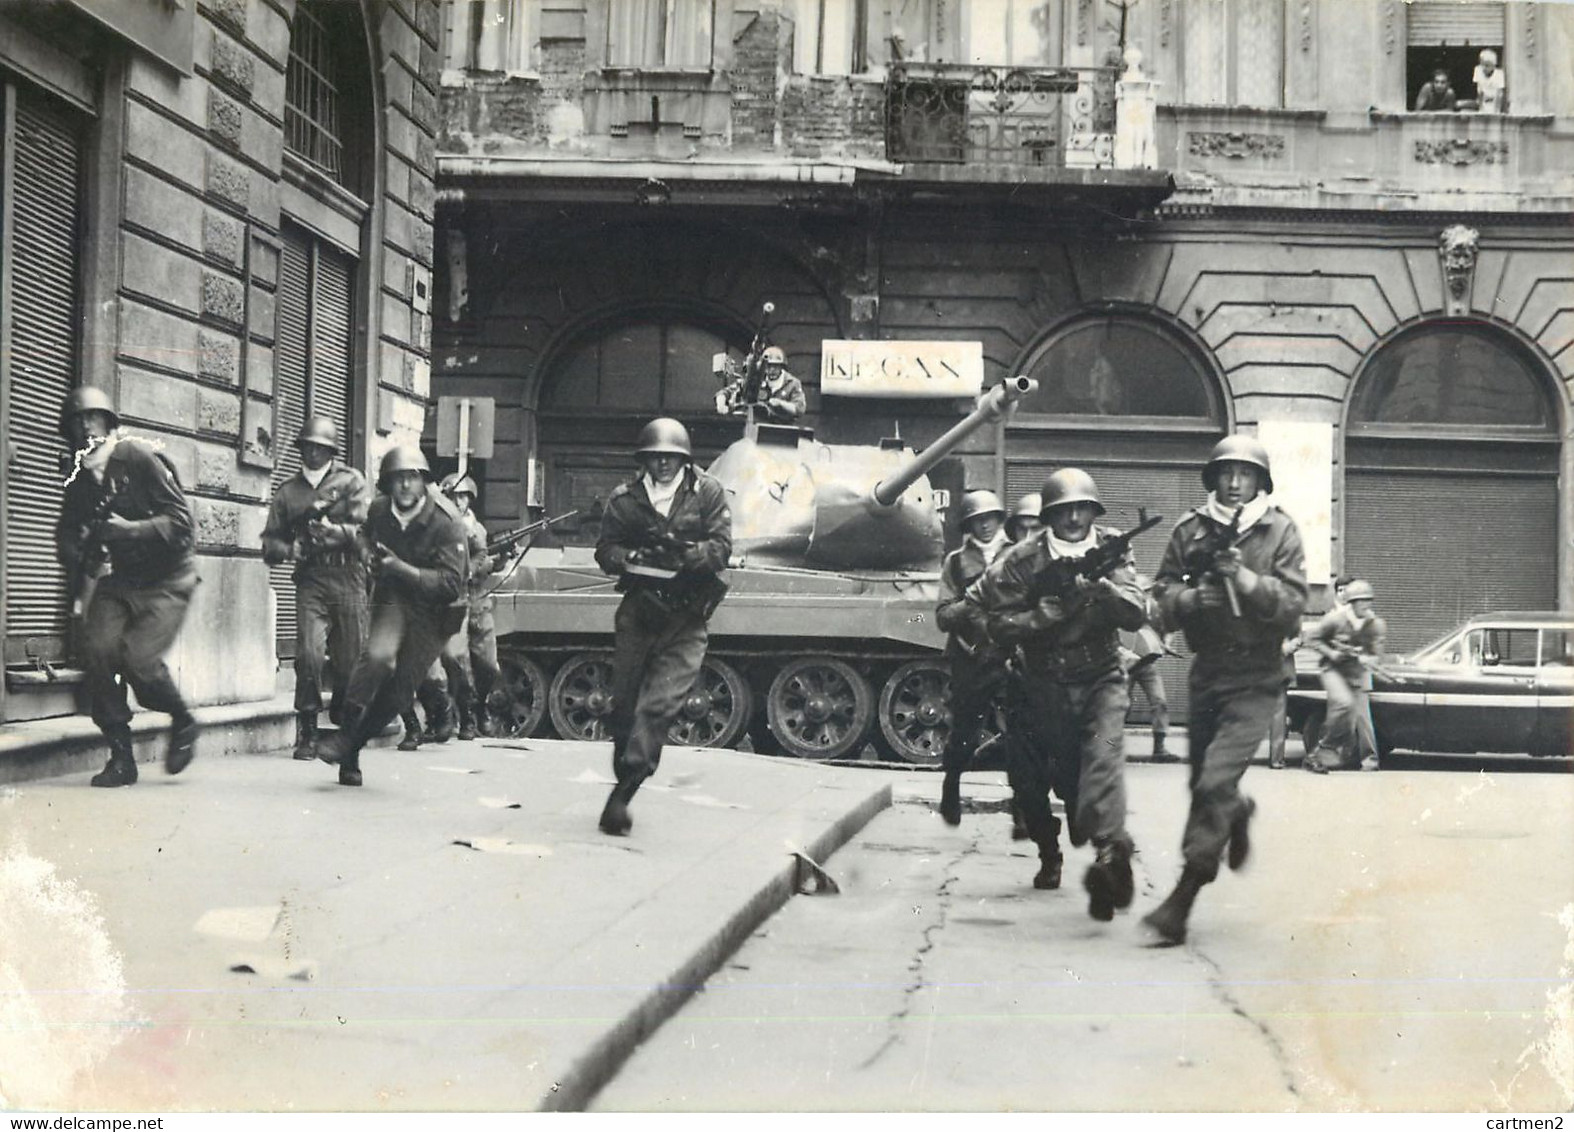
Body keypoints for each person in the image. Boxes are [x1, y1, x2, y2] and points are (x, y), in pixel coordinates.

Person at [1143, 435, 1307, 946]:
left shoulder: (1279, 530)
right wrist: (1193, 598)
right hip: (1208, 672)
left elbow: (1294, 603)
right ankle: (1235, 811)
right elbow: (1159, 596)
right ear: (1213, 478)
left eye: (1246, 474)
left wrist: (1248, 580)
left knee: (1214, 782)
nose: (1235, 483)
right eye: (1227, 473)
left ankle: (1181, 900)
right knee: (1203, 788)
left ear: (1261, 480)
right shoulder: (1190, 530)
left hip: (1257, 677)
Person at [964, 469, 1147, 920]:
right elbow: (992, 624)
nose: (1074, 518)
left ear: (1093, 511)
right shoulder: (1022, 560)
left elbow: (1137, 612)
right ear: (1049, 515)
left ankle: (1108, 859)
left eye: (1082, 508)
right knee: (1033, 785)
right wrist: (1043, 616)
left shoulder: (1112, 550)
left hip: (1101, 676)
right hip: (1040, 685)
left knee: (1103, 760)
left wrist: (1102, 590)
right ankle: (1050, 851)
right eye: (1064, 510)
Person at [55, 387, 200, 787]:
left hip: (168, 578)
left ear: (109, 423)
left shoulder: (138, 457)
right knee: (97, 649)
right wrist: (80, 548)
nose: (86, 429)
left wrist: (130, 531)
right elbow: (66, 534)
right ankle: (121, 756)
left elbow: (182, 523)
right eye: (77, 422)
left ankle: (183, 719)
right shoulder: (78, 479)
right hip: (120, 580)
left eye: (93, 419)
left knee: (139, 661)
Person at [594, 418, 732, 835]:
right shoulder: (624, 500)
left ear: (684, 459)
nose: (664, 465)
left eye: (671, 458)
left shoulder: (708, 493)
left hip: (685, 617)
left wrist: (687, 555)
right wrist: (632, 557)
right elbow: (605, 550)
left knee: (658, 707)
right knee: (623, 709)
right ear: (645, 460)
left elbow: (722, 547)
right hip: (639, 613)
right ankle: (626, 767)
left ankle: (626, 790)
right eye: (656, 458)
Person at [315, 445, 467, 786]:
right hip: (394, 598)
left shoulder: (447, 522)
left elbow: (452, 583)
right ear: (387, 483)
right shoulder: (380, 510)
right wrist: (368, 553)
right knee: (378, 658)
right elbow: (364, 535)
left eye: (413, 478)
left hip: (433, 610)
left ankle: (351, 745)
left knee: (400, 694)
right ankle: (347, 745)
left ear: (424, 482)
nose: (405, 486)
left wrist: (401, 568)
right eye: (398, 479)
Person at [260, 416, 370, 760]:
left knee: (351, 661)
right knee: (308, 655)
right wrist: (289, 549)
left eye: (320, 448)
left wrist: (339, 534)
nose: (313, 453)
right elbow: (269, 544)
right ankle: (306, 728)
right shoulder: (288, 493)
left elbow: (369, 531)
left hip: (349, 577)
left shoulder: (352, 483)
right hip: (312, 580)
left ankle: (341, 713)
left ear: (331, 450)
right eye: (308, 446)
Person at [934, 489, 1010, 826]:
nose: (985, 527)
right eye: (977, 521)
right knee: (964, 730)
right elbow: (941, 615)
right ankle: (951, 788)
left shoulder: (1019, 554)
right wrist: (973, 601)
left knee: (1021, 735)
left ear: (999, 519)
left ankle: (1022, 804)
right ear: (968, 525)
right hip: (971, 657)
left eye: (990, 519)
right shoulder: (955, 562)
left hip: (1011, 655)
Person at [434, 472, 503, 741]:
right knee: (455, 657)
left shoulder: (477, 529)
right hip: (455, 600)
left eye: (464, 496)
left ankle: (481, 705)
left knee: (488, 664)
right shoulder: (440, 526)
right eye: (455, 496)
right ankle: (466, 714)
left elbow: (482, 554)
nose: (460, 501)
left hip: (478, 599)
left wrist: (475, 569)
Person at [1304, 578, 1387, 773]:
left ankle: (1327, 755)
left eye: (1369, 600)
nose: (1365, 605)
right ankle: (1323, 753)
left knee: (1358, 718)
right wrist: (1332, 653)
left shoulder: (1375, 624)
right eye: (1361, 601)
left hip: (1357, 673)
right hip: (1333, 670)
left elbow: (1377, 653)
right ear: (1351, 602)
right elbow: (1312, 639)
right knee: (1343, 704)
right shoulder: (1335, 619)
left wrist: (1370, 659)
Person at [1120, 588, 1176, 763]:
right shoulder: (1122, 606)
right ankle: (1113, 747)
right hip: (1126, 663)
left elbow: (1168, 629)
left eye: (1146, 591)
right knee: (1121, 705)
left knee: (1159, 701)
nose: (1143, 594)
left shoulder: (1155, 611)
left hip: (1147, 663)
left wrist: (1165, 643)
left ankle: (1159, 748)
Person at [715, 346, 807, 423]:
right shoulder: (757, 379)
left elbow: (799, 409)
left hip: (782, 430)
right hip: (757, 428)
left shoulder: (792, 383)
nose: (771, 370)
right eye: (769, 366)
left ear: (782, 366)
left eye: (775, 366)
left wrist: (781, 404)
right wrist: (721, 404)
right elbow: (725, 392)